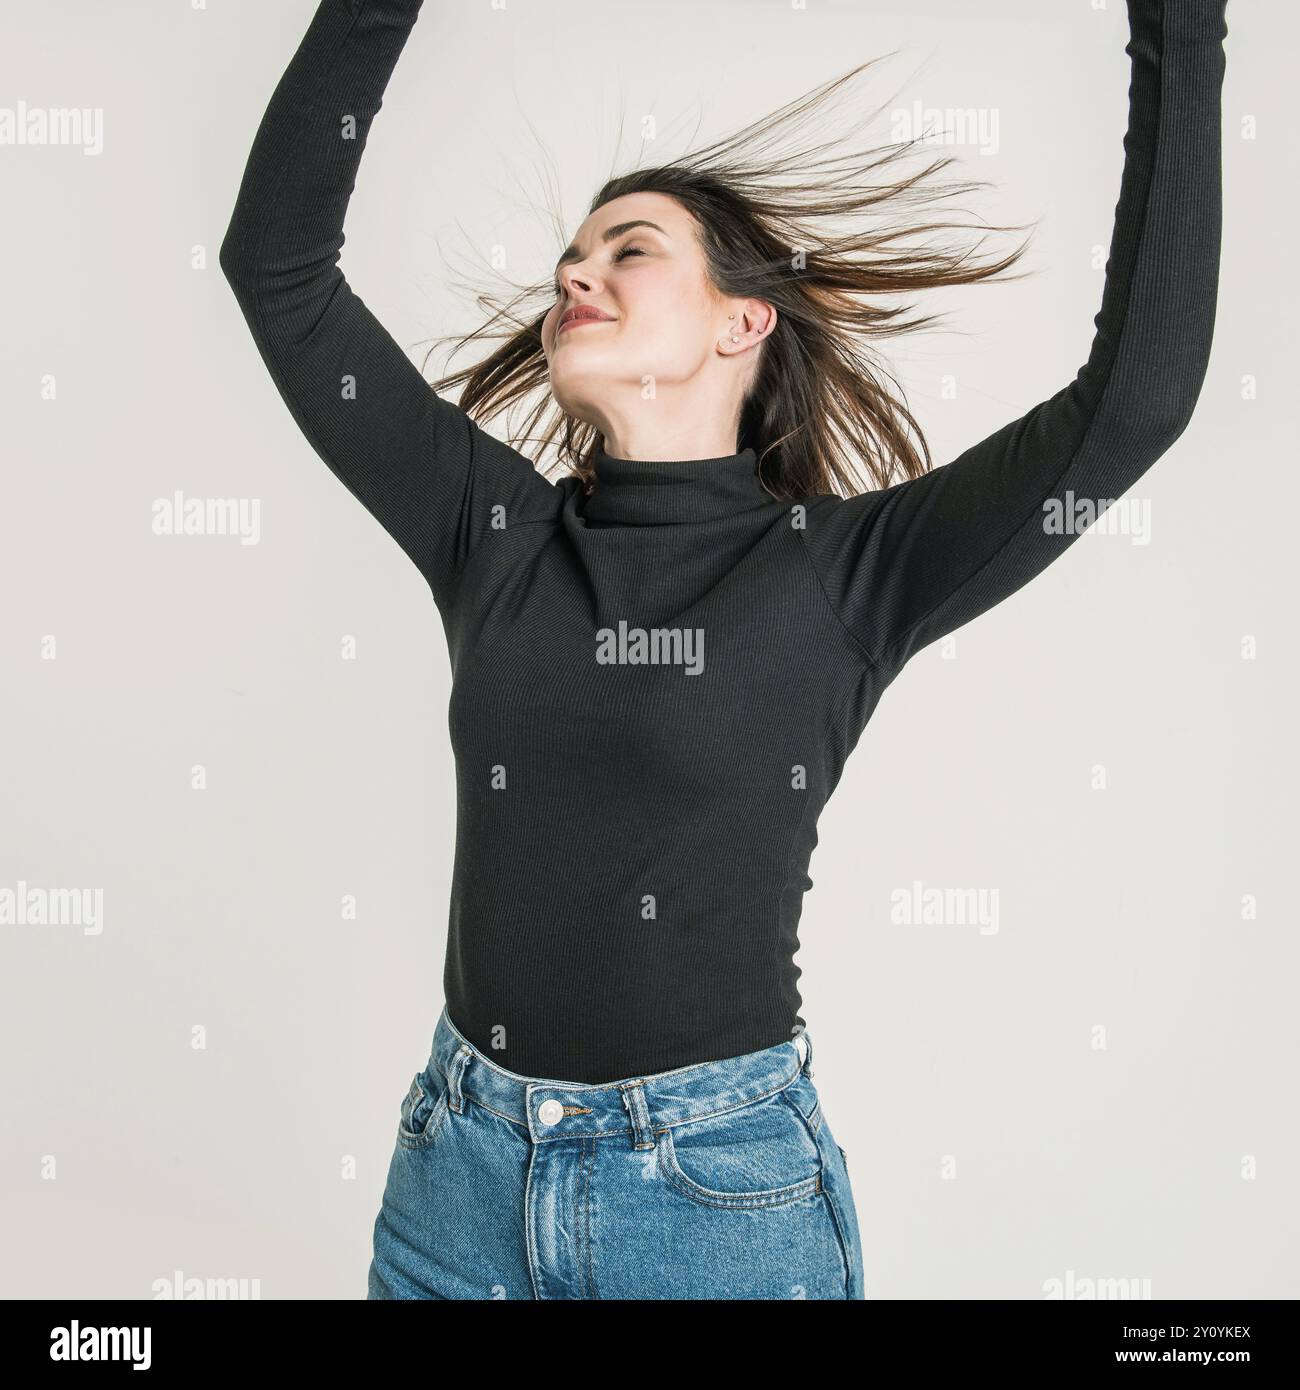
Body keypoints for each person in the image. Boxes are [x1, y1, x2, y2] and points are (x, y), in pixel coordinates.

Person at [218, 0, 1227, 1299]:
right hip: (455, 1178)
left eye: (629, 249)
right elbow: (277, 266)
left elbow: (1130, 409)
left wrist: (1179, 35)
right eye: (572, 254)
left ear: (741, 323)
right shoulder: (493, 531)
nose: (576, 271)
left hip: (711, 1203)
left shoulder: (844, 575)